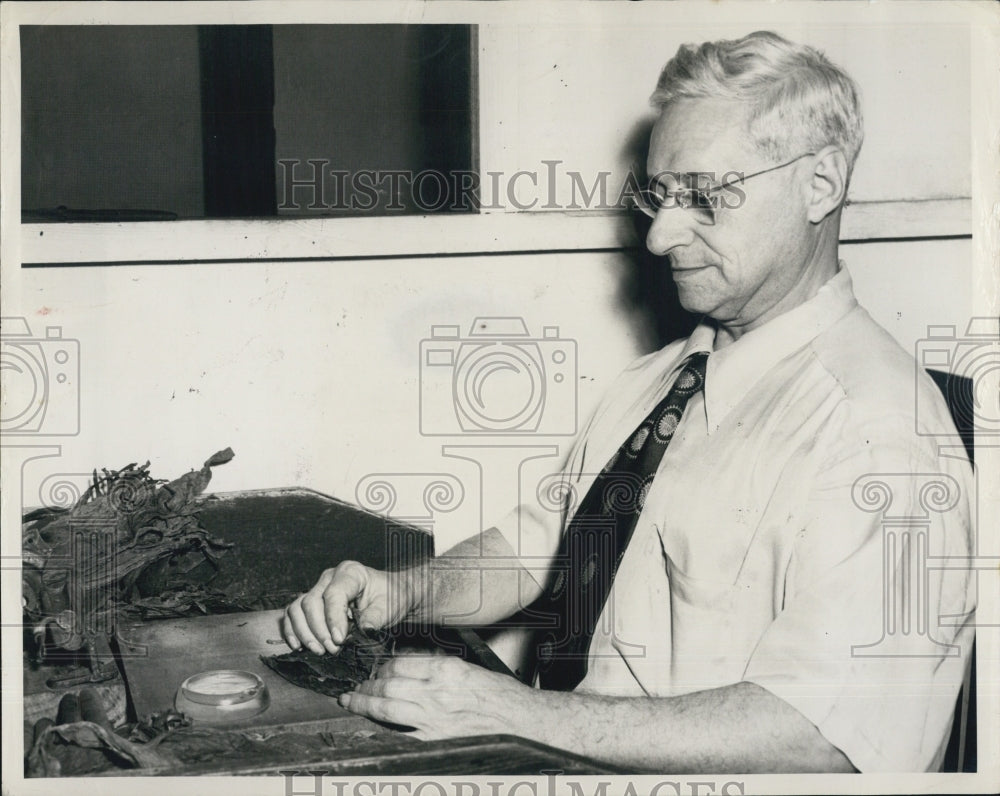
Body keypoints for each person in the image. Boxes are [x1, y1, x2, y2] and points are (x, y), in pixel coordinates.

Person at [283, 31, 975, 773]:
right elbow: (534, 550)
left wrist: (506, 710)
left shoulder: (880, 436)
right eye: (659, 196)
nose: (660, 237)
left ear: (822, 183)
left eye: (704, 198)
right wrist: (399, 593)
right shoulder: (661, 380)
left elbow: (823, 739)